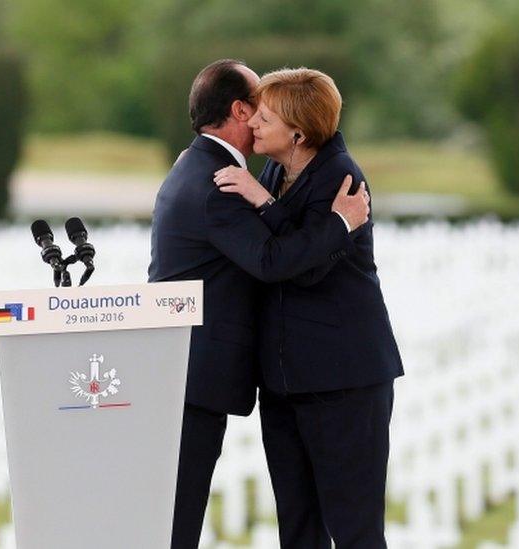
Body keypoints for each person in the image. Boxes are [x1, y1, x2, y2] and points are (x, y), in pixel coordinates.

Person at [148, 59, 371, 549]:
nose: (257, 122)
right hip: (199, 377)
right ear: (238, 109)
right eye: (257, 111)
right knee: (177, 522)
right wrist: (338, 225)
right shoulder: (221, 182)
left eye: (269, 115)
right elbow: (271, 260)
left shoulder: (203, 165)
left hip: (306, 373)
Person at [213, 67, 404, 549]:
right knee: (297, 529)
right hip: (285, 381)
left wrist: (263, 202)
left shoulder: (342, 178)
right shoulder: (279, 168)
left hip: (343, 380)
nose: (252, 121)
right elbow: (272, 248)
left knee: (354, 527)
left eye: (265, 116)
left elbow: (305, 267)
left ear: (298, 132)